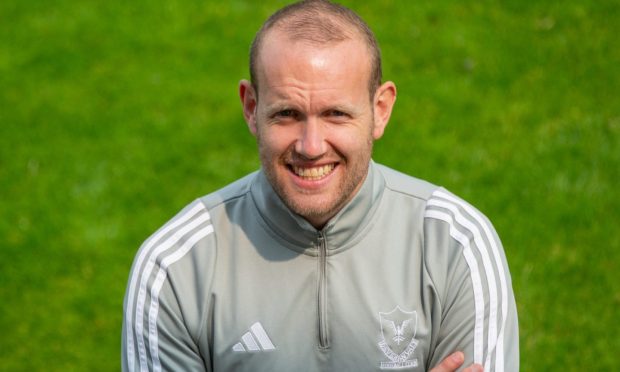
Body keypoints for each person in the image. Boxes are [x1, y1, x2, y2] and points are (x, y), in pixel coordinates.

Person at [122, 1, 519, 371]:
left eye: (336, 114)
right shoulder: (174, 268)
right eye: (287, 114)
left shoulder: (456, 245)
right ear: (251, 109)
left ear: (380, 110)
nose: (311, 146)